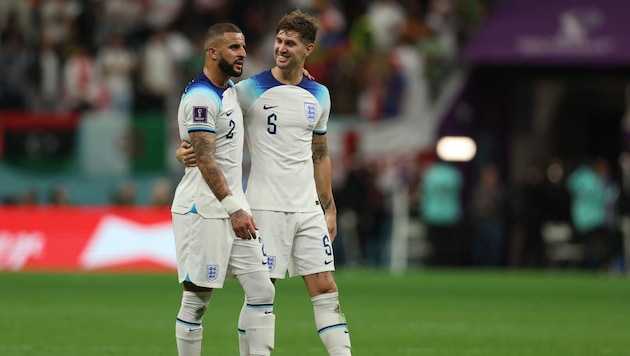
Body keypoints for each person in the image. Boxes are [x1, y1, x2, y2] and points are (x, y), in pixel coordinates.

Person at [177, 10, 352, 355]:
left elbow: (320, 153)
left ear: (309, 49)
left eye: (291, 43)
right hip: (262, 207)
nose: (282, 48)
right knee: (261, 290)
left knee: (325, 287)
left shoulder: (320, 95)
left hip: (307, 209)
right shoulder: (245, 91)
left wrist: (328, 207)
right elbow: (208, 126)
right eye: (279, 41)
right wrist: (185, 151)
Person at [170, 23, 275, 356]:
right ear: (212, 52)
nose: (242, 53)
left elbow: (275, 78)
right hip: (204, 210)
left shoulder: (230, 90)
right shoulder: (201, 97)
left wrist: (301, 77)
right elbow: (205, 159)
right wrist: (234, 208)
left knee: (262, 290)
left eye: (243, 47)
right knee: (197, 300)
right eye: (233, 47)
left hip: (233, 209)